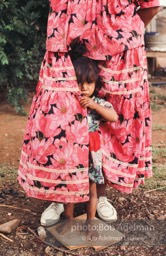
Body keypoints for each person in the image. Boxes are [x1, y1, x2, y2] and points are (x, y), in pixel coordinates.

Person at [18, 0, 161, 227]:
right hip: (65, 47)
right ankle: (59, 195)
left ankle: (101, 195)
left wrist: (122, 33)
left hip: (119, 52)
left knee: (111, 124)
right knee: (60, 124)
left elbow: (151, 5)